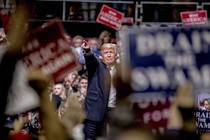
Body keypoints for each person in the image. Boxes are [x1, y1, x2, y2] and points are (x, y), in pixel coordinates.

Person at [82, 41, 119, 140]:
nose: (109, 55)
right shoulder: (97, 66)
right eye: (106, 53)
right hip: (94, 112)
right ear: (101, 56)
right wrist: (88, 51)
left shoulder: (120, 70)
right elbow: (91, 60)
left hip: (113, 113)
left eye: (111, 52)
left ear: (116, 55)